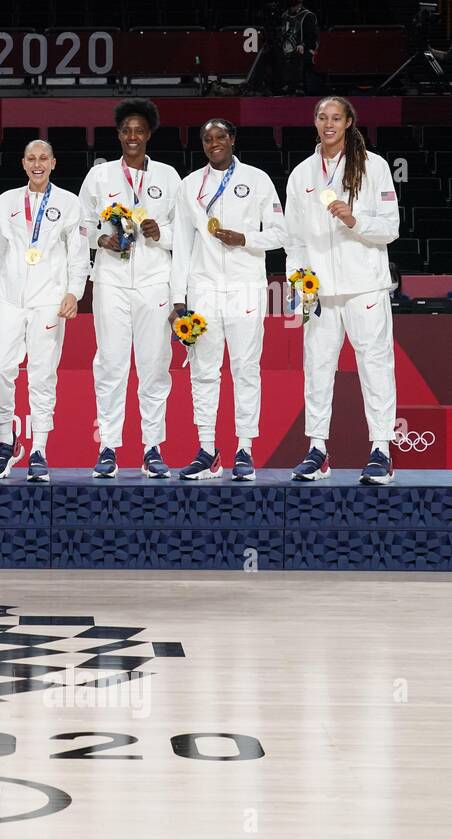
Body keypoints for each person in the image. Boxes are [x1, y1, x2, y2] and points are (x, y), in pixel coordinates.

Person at [285, 96, 400, 485]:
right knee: (316, 369)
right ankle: (317, 449)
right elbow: (294, 239)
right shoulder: (302, 174)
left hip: (365, 284)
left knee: (375, 365)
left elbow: (391, 227)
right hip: (320, 292)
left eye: (336, 118)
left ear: (349, 122)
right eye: (322, 117)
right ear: (315, 122)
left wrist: (356, 219)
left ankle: (381, 449)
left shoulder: (374, 167)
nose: (328, 124)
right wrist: (298, 282)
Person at [169, 120, 286, 481]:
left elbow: (281, 233)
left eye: (221, 137)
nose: (214, 143)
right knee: (204, 371)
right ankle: (207, 449)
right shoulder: (189, 186)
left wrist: (245, 239)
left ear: (233, 139)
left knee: (245, 369)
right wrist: (177, 298)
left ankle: (245, 450)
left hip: (245, 287)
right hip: (203, 289)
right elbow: (181, 245)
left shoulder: (257, 179)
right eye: (207, 138)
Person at [78, 98, 182, 479]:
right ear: (119, 135)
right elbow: (81, 226)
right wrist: (102, 241)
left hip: (155, 280)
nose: (132, 136)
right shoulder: (100, 176)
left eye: (139, 130)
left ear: (149, 134)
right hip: (111, 280)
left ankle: (152, 447)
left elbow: (182, 232)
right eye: (126, 130)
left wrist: (162, 233)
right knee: (110, 363)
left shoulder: (169, 177)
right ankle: (108, 446)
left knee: (154, 363)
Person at [0, 139, 88, 481]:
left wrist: (74, 292)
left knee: (42, 375)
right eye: (32, 158)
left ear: (54, 163)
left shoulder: (69, 203)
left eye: (44, 158)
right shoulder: (7, 201)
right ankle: (5, 440)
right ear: (23, 163)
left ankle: (39, 449)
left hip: (49, 301)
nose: (38, 164)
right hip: (10, 299)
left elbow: (78, 253)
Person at [276, 1, 319, 95]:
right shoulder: (285, 15)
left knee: (297, 55)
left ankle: (297, 87)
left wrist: (303, 45)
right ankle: (280, 86)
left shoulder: (307, 15)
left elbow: (312, 38)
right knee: (274, 54)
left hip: (305, 48)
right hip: (286, 48)